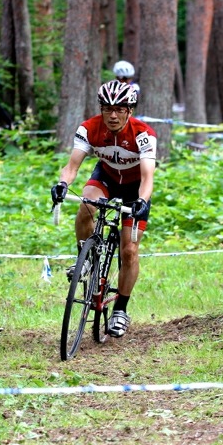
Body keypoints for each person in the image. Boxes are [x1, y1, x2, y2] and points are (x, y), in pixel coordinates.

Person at [50, 80, 157, 338]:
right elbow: (72, 166)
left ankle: (121, 309)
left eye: (120, 109)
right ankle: (85, 259)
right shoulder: (89, 128)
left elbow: (148, 178)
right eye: (107, 108)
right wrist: (63, 183)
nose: (112, 115)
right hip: (107, 178)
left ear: (130, 110)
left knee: (129, 250)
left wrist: (141, 201)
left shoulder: (143, 134)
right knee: (87, 203)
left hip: (135, 188)